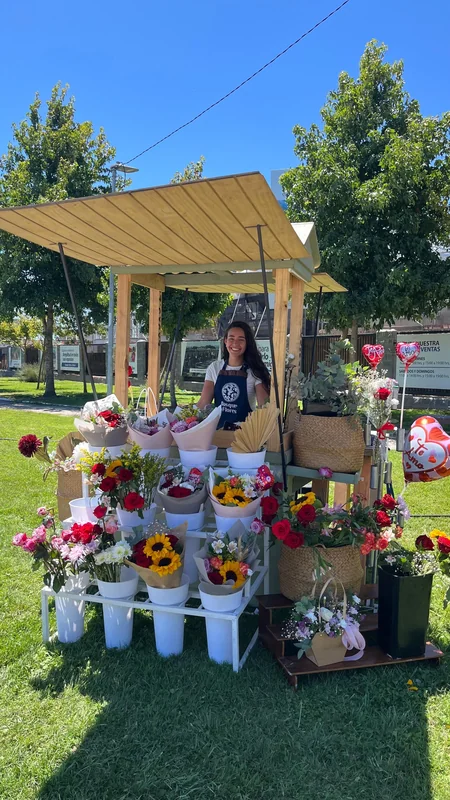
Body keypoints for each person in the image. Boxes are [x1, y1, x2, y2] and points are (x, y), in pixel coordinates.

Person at [197, 321, 270, 428]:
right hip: (217, 431)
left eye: (241, 339)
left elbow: (264, 408)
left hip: (244, 432)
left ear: (247, 343)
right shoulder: (214, 368)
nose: (235, 343)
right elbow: (204, 402)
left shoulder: (255, 371)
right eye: (231, 338)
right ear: (225, 341)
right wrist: (189, 422)